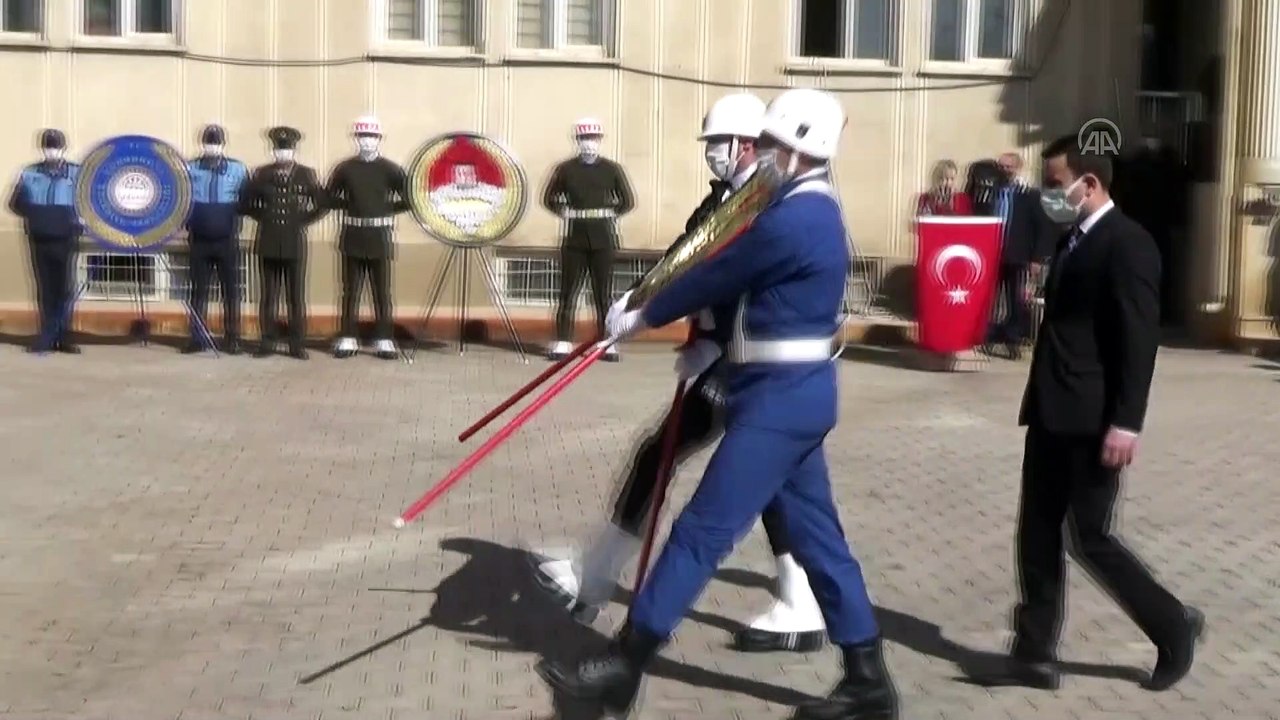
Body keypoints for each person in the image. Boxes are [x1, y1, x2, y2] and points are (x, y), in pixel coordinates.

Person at [537, 88, 897, 720]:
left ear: (797, 152)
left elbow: (718, 274)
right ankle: (868, 679)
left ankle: (623, 667)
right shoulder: (803, 209)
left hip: (779, 403)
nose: (763, 159)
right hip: (787, 395)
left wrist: (644, 313)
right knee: (820, 540)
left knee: (700, 533)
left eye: (773, 149)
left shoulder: (794, 218)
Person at [969, 136, 1204, 691]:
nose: (1048, 195)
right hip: (1052, 409)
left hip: (1094, 418)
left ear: (1089, 184)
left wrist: (1127, 421)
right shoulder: (1071, 238)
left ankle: (1173, 625)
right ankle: (1034, 652)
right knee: (1038, 533)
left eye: (1055, 184)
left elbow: (1138, 340)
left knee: (1091, 537)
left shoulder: (1128, 244)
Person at [542, 118, 636, 362]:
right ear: (578, 141)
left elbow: (627, 201)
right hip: (574, 240)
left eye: (593, 139)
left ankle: (606, 342)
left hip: (603, 239)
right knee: (567, 293)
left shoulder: (611, 169)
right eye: (585, 139)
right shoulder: (565, 169)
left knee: (602, 294)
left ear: (599, 141)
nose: (589, 144)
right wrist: (562, 210)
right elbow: (549, 198)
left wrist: (610, 212)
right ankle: (563, 340)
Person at [238, 126, 326, 360]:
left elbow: (322, 204)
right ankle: (267, 341)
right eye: (278, 148)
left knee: (295, 296)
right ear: (273, 149)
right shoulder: (261, 174)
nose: (282, 152)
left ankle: (296, 344)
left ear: (294, 150)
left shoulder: (306, 174)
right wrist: (264, 217)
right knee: (268, 295)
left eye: (286, 148)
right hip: (268, 240)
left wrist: (302, 220)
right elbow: (245, 203)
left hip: (294, 241)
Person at [327, 116, 411, 360]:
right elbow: (328, 196)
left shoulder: (390, 169)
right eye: (363, 137)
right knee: (350, 291)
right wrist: (351, 205)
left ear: (379, 139)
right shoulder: (345, 168)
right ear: (356, 139)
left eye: (372, 137)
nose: (367, 141)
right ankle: (347, 337)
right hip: (353, 235)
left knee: (381, 291)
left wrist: (384, 208)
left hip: (379, 236)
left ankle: (384, 339)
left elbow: (409, 198)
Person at [9, 129, 81, 354]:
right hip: (39, 238)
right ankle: (47, 336)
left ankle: (63, 336)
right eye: (49, 146)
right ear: (43, 148)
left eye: (56, 146)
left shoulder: (76, 173)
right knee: (46, 289)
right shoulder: (30, 173)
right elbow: (15, 203)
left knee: (65, 289)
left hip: (65, 238)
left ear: (63, 148)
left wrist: (70, 220)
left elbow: (88, 201)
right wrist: (38, 214)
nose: (52, 150)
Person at [183, 124, 249, 355]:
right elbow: (182, 198)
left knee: (230, 291)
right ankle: (196, 337)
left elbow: (246, 199)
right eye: (209, 142)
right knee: (198, 291)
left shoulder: (238, 169)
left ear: (223, 145)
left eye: (216, 142)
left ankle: (233, 338)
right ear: (203, 145)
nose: (213, 147)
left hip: (226, 240)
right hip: (199, 239)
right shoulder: (190, 168)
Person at [983, 152, 1055, 360]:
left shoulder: (1029, 195)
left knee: (1016, 300)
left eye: (1009, 167)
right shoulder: (992, 192)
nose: (1004, 170)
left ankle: (1013, 340)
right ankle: (991, 336)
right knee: (993, 301)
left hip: (1019, 255)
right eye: (1001, 166)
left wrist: (1037, 258)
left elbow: (1043, 228)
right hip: (995, 255)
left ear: (1018, 168)